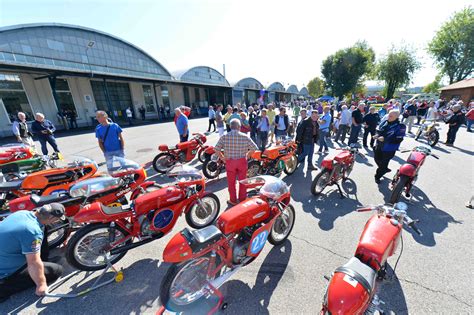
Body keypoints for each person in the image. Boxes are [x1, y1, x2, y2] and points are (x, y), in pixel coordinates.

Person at [0, 203, 65, 302]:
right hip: (6, 271)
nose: (57, 221)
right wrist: (41, 285)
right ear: (51, 218)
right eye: (57, 219)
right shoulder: (32, 231)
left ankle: (43, 263)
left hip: (5, 255)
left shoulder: (23, 213)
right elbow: (33, 262)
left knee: (43, 229)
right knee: (57, 270)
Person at [215, 119, 257, 205]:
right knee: (243, 181)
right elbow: (254, 148)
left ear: (230, 127)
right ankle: (242, 199)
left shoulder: (224, 136)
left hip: (230, 162)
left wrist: (223, 158)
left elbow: (216, 149)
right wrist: (248, 155)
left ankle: (233, 200)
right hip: (242, 161)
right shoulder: (245, 136)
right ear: (239, 127)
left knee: (231, 182)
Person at [373, 110, 406, 184]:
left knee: (383, 163)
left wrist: (385, 139)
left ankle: (377, 176)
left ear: (396, 117)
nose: (388, 117)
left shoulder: (401, 126)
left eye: (391, 116)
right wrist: (377, 135)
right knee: (376, 159)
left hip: (389, 149)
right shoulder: (385, 121)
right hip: (379, 145)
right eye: (388, 115)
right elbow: (379, 130)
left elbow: (399, 139)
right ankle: (384, 169)